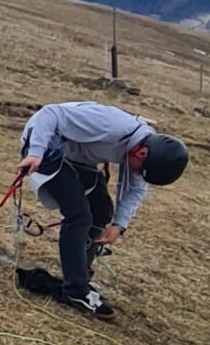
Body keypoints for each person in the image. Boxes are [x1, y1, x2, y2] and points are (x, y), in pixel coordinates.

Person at [14, 101, 188, 317]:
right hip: (46, 146)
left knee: (102, 211)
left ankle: (80, 277)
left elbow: (134, 190)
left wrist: (119, 225)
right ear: (141, 153)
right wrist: (36, 152)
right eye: (140, 169)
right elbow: (50, 113)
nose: (136, 173)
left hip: (76, 157)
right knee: (78, 214)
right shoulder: (110, 125)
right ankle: (76, 290)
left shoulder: (144, 151)